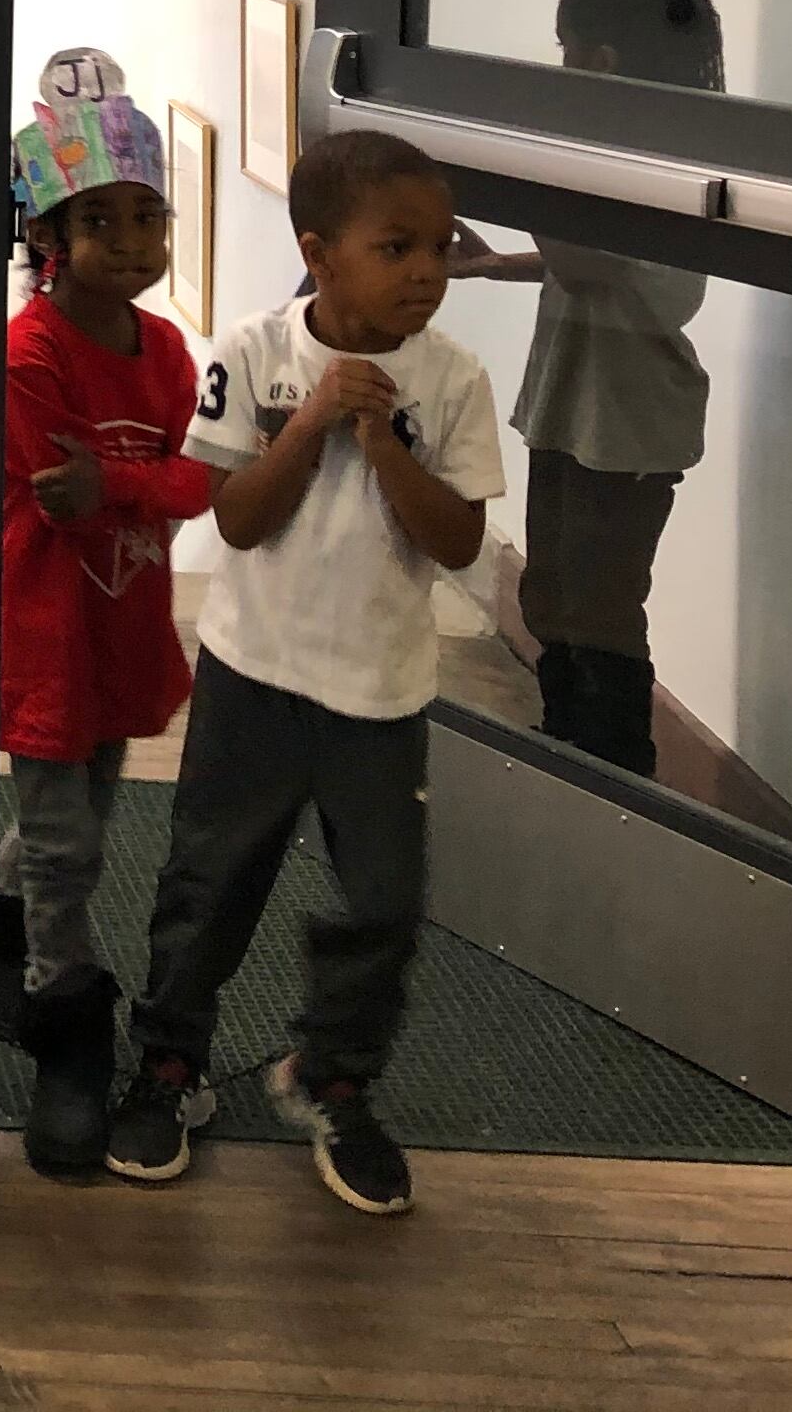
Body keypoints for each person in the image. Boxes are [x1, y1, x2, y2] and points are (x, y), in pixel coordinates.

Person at [107, 128, 502, 1217]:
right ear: (322, 258)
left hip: (381, 694)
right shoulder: (254, 350)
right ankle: (170, 1064)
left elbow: (457, 544)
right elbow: (235, 518)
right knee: (209, 883)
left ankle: (331, 1077)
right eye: (398, 247)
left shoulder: (456, 381)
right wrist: (322, 413)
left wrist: (385, 448)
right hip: (254, 676)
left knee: (384, 902)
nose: (428, 270)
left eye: (440, 247)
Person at [0, 71, 214, 1174]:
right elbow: (57, 495)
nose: (130, 242)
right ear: (51, 233)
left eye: (148, 218)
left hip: (126, 626)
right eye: (101, 220)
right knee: (69, 848)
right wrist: (149, 484)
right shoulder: (30, 355)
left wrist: (128, 487)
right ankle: (63, 1024)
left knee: (75, 816)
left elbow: (200, 483)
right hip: (45, 631)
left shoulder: (170, 355)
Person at [484, 0, 724, 776]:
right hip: (576, 403)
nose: (558, 67)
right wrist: (493, 265)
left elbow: (591, 260)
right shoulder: (621, 144)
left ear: (601, 61)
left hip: (627, 421)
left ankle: (618, 778)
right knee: (550, 597)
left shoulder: (663, 157)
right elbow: (579, 263)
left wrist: (522, 168)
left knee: (603, 615)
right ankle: (566, 758)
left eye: (564, 49)